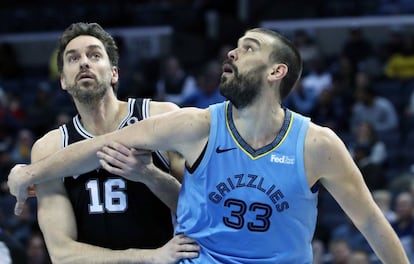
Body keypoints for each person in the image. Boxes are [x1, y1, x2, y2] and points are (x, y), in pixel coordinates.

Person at [7, 27, 409, 263]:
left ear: (277, 71)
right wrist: (29, 171)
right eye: (234, 46)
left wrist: (147, 175)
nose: (233, 51)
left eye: (248, 47)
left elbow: (372, 222)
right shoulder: (195, 124)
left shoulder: (317, 144)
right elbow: (102, 146)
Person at [9, 22, 200, 263]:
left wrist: (149, 175)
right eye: (73, 58)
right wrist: (149, 257)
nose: (84, 63)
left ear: (114, 73)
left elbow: (199, 209)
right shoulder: (50, 148)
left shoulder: (161, 116)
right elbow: (62, 253)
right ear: (63, 81)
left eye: (94, 55)